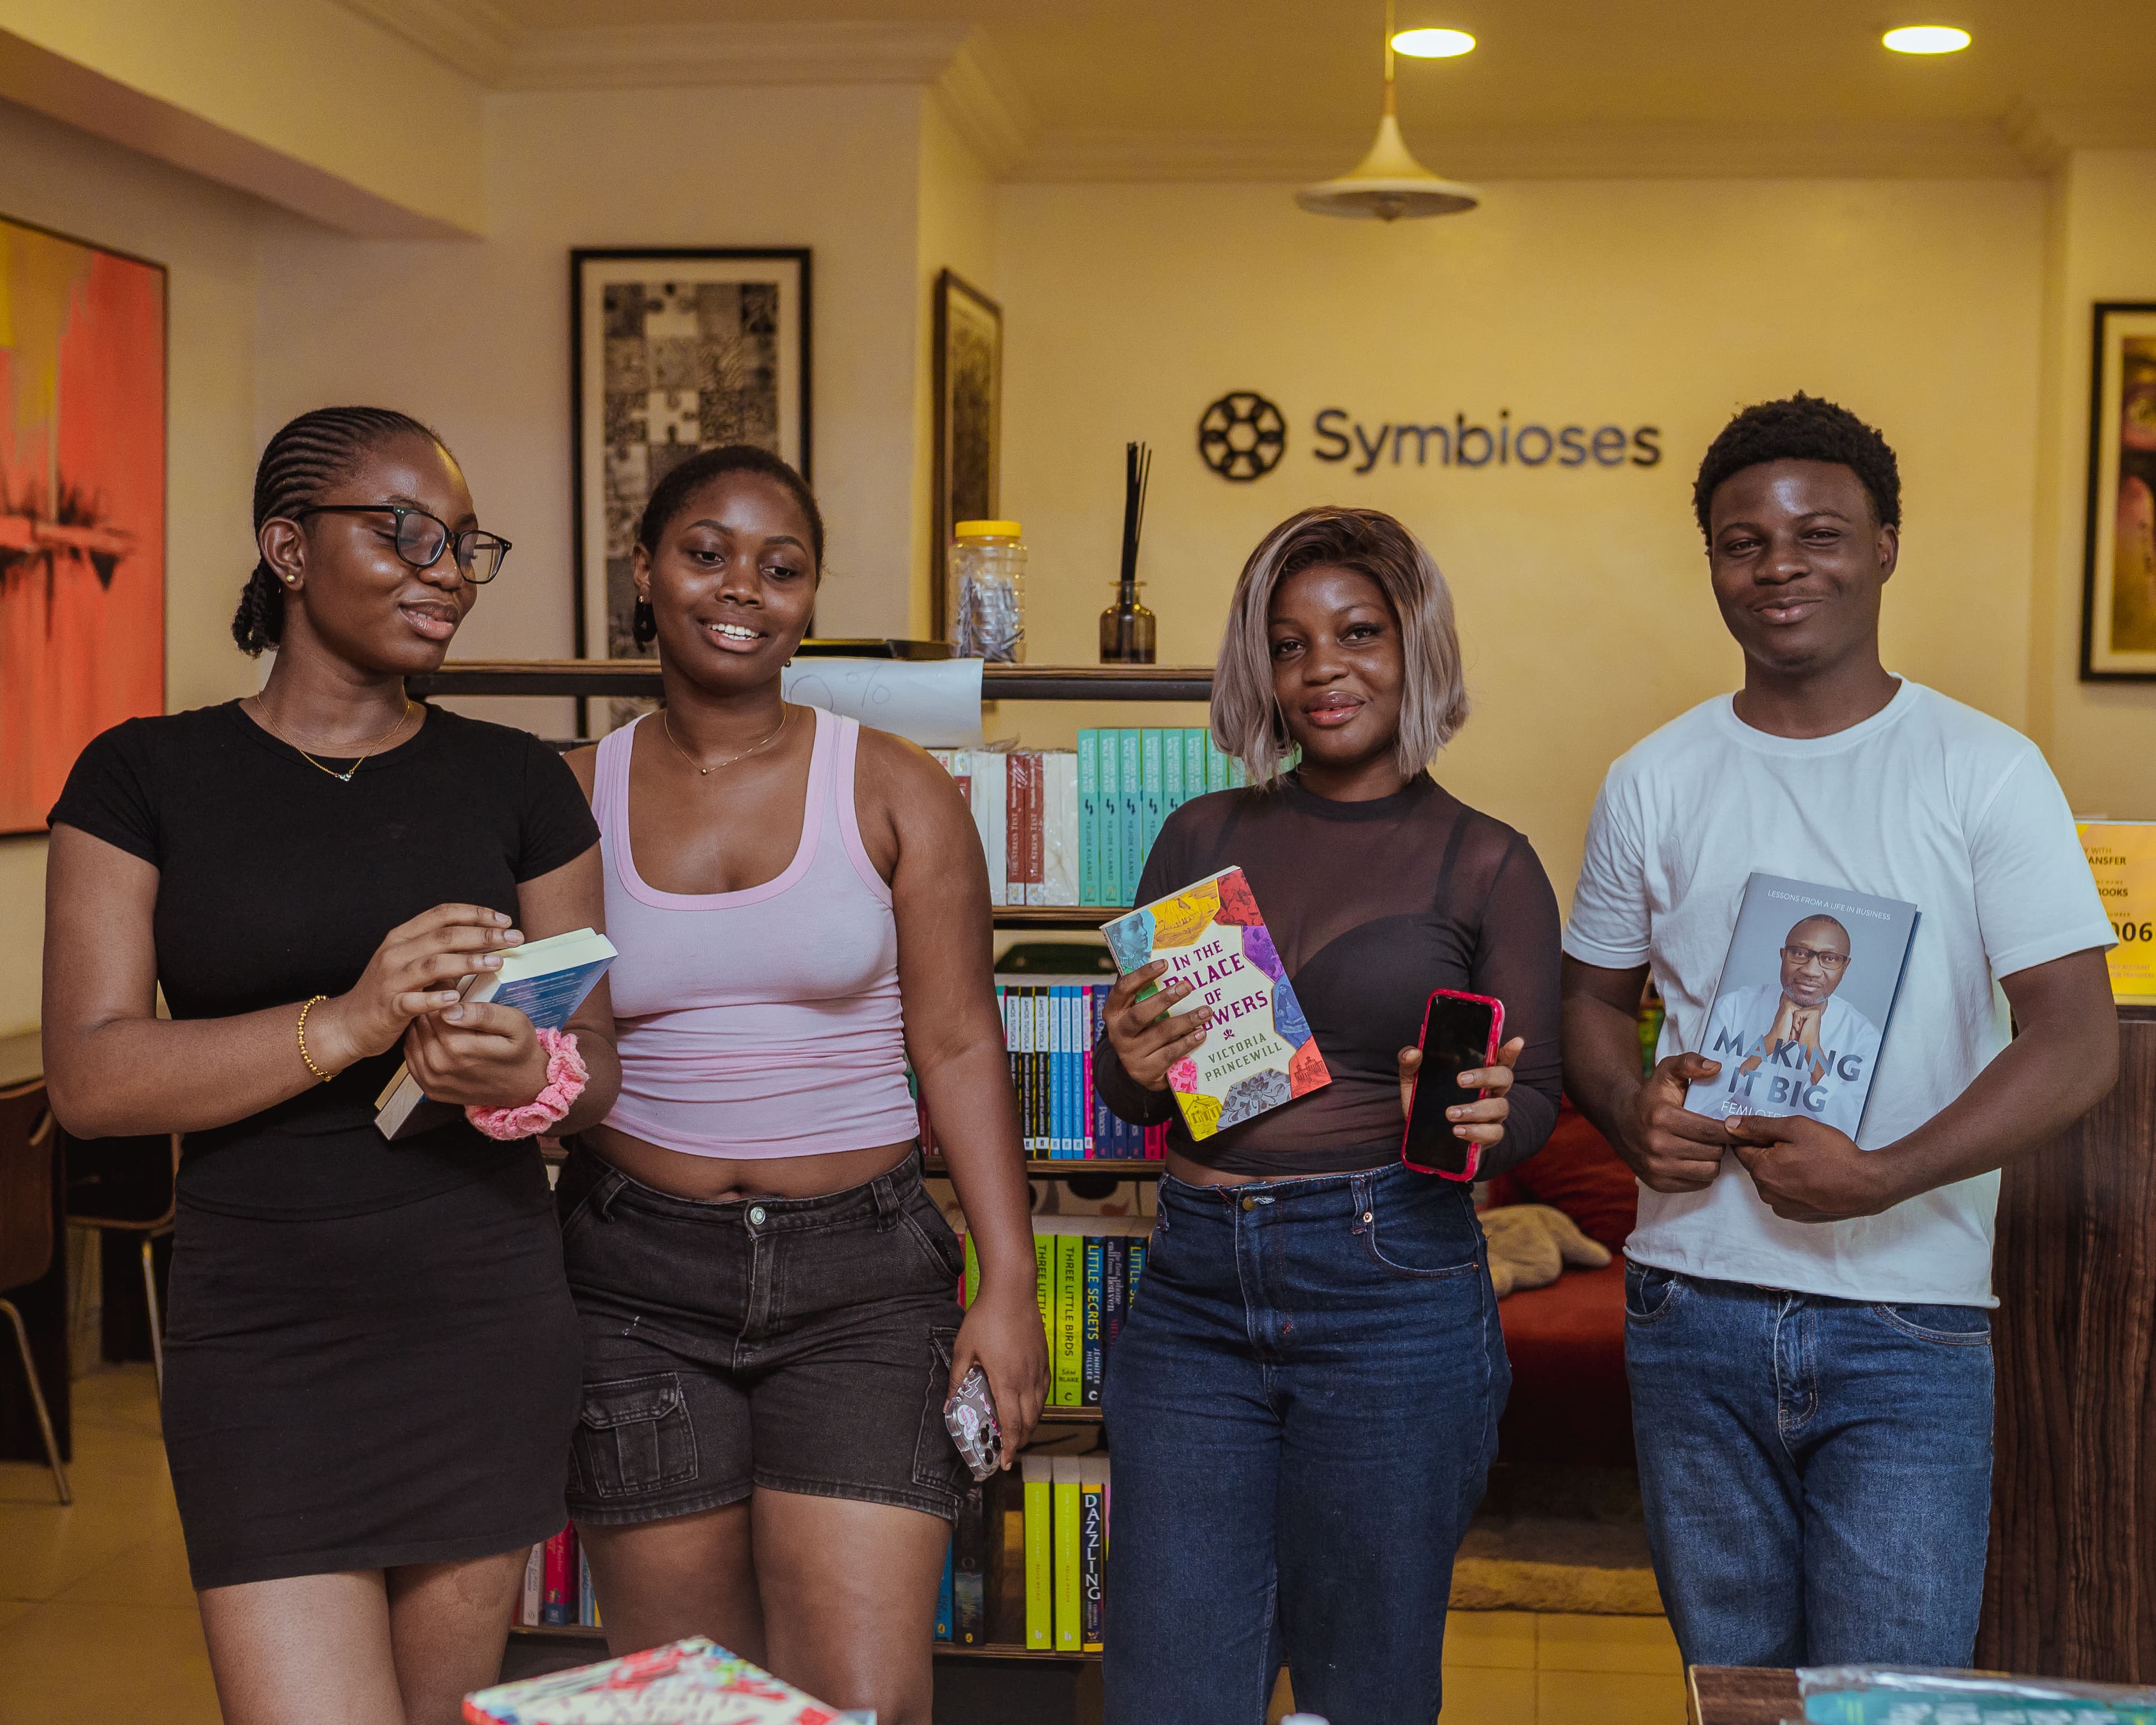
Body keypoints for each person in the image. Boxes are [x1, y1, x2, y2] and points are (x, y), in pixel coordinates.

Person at [40, 407, 621, 1725]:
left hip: (478, 1318)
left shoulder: (517, 780)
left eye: (466, 543)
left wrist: (509, 1065)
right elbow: (91, 1074)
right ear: (288, 549)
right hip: (265, 1333)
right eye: (403, 531)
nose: (446, 569)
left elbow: (595, 1059)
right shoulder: (142, 776)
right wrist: (355, 1021)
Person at [1561, 394, 2120, 1669]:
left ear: (1884, 545)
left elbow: (2074, 1040)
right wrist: (1629, 1107)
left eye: (1816, 532)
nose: (1776, 565)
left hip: (1906, 1316)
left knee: (1884, 1698)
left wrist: (1880, 1172)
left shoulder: (1984, 769)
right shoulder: (1654, 775)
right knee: (1735, 1692)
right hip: (1689, 1303)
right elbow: (1587, 1005)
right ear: (1708, 560)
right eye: (1739, 539)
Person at [555, 444, 1047, 1725]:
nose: (741, 588)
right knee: (687, 1700)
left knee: (866, 1699)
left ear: (810, 591)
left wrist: (1009, 1280)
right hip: (631, 1281)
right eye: (704, 551)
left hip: (864, 1285)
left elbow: (957, 1043)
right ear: (645, 571)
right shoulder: (563, 797)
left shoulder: (894, 786)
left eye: (782, 566)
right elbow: (562, 1060)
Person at [1093, 506, 1563, 1725]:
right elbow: (1130, 1091)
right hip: (1195, 1290)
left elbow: (1534, 1112)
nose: (1323, 670)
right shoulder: (1202, 834)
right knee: (1168, 1688)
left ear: (1415, 651)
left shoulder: (1490, 863)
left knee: (1366, 1686)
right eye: (1291, 644)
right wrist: (1130, 1061)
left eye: (1358, 634)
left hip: (1391, 1286)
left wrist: (1471, 1121)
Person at [1696, 914, 1881, 1138]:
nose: (1811, 971)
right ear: (1783, 955)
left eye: (1830, 959)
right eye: (1800, 954)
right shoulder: (1732, 1007)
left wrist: (1813, 1053)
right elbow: (1695, 1107)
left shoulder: (1864, 1036)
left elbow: (1853, 1134)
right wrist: (1765, 1046)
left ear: (1845, 966)